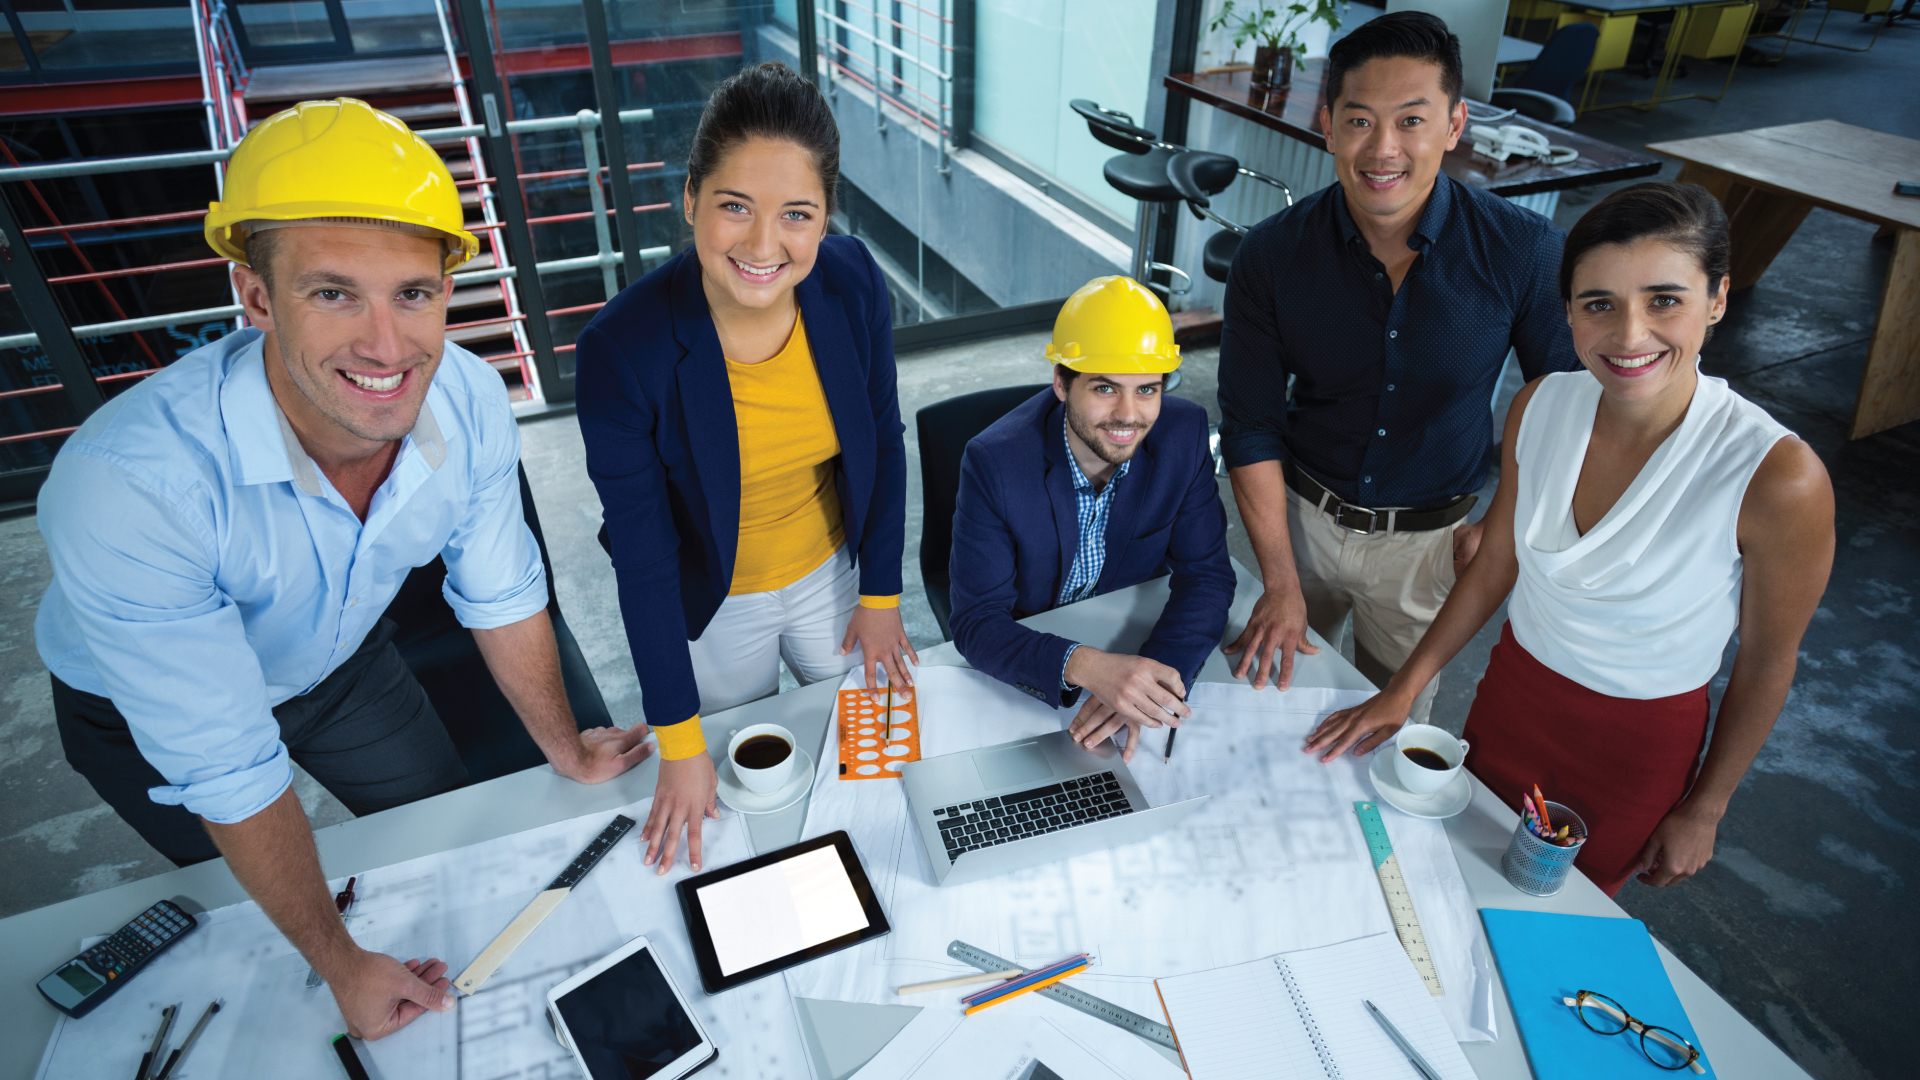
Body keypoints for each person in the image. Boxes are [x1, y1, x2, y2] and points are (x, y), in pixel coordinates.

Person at [36, 99, 653, 1040]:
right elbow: (227, 762)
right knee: (254, 921)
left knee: (441, 841)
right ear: (255, 296)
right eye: (333, 294)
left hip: (341, 664)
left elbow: (503, 591)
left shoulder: (470, 397)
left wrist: (564, 748)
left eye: (412, 293)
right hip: (136, 713)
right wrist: (337, 963)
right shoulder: (129, 485)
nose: (386, 345)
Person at [1305, 182, 1834, 896]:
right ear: (1569, 313)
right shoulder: (1540, 404)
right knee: (1453, 879)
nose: (1629, 335)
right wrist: (1406, 687)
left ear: (1718, 299)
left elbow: (1768, 663)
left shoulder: (1777, 475)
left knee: (1550, 917)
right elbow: (1495, 564)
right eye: (1599, 304)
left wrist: (1705, 807)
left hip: (1635, 745)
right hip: (1512, 698)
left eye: (1664, 300)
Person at [575, 62, 913, 874]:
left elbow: (882, 440)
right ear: (691, 197)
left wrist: (881, 593)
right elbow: (645, 559)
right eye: (735, 207)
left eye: (797, 215)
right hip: (714, 593)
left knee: (876, 765)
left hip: (831, 572)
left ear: (826, 218)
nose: (765, 246)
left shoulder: (855, 279)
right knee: (731, 785)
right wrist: (679, 742)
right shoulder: (621, 351)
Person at [1216, 11, 1580, 722]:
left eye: (1412, 120)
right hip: (1300, 521)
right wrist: (1280, 580)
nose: (1382, 149)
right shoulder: (1270, 254)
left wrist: (1505, 519)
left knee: (1391, 731)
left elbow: (1563, 409)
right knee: (1267, 713)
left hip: (1432, 544)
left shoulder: (1525, 252)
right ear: (1327, 124)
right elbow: (1251, 424)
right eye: (1358, 121)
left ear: (1455, 123)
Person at [948, 277, 1236, 760]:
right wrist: (1086, 666)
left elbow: (1206, 576)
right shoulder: (995, 462)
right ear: (1061, 383)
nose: (1129, 416)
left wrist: (1149, 683)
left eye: (1147, 389)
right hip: (1035, 646)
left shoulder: (1182, 435)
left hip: (1126, 625)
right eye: (1105, 388)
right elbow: (977, 622)